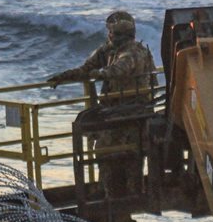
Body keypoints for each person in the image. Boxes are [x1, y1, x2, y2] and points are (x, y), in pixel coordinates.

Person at [47, 11, 157, 203]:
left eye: (112, 33)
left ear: (120, 34)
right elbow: (86, 68)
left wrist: (99, 74)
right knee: (105, 152)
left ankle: (130, 194)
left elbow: (120, 69)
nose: (109, 36)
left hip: (134, 111)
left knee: (131, 154)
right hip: (113, 111)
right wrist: (65, 76)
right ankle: (107, 191)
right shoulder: (108, 50)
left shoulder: (135, 52)